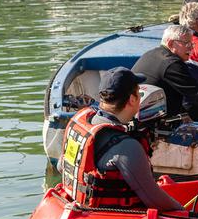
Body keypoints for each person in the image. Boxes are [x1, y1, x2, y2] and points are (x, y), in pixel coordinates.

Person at [58, 67, 185, 211]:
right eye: (138, 93)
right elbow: (154, 200)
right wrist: (186, 213)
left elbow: (60, 166)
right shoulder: (126, 146)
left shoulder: (82, 123)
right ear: (132, 99)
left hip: (76, 206)